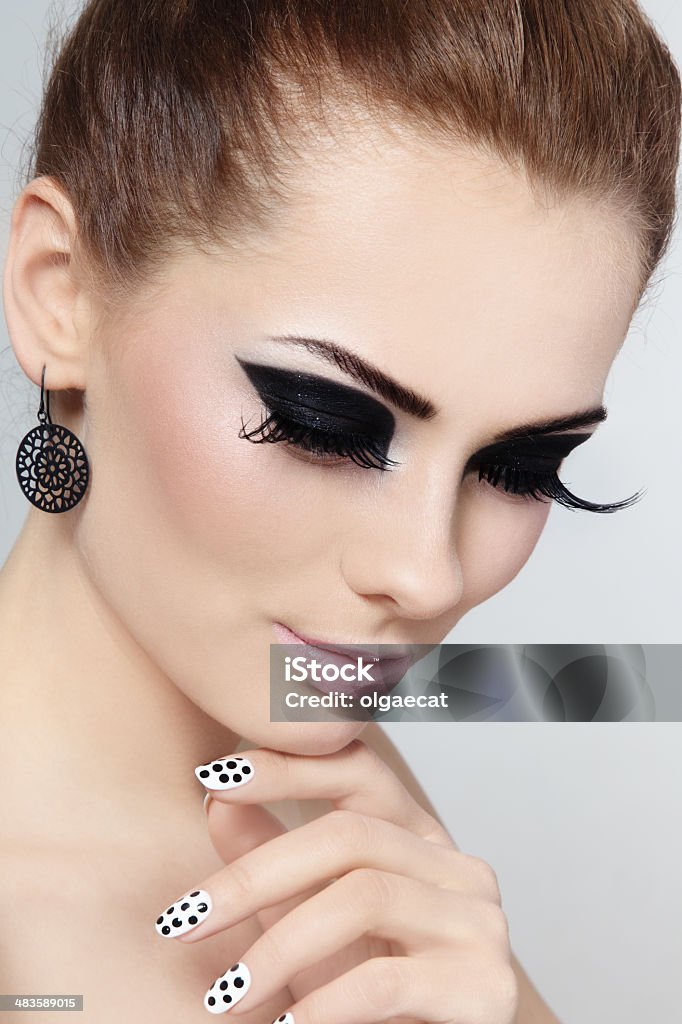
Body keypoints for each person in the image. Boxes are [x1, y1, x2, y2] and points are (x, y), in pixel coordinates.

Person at [0, 1, 679, 1021]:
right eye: (323, 423)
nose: (426, 574)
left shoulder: (359, 828)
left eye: (521, 467)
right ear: (62, 295)